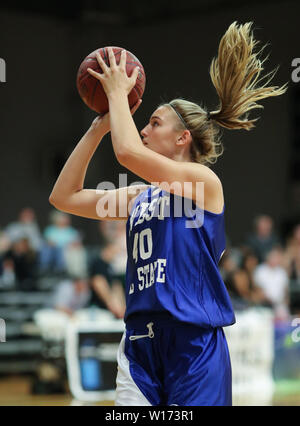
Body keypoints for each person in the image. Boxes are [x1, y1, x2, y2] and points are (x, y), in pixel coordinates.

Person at [49, 22, 286, 406]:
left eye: (154, 123)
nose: (143, 130)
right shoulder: (140, 196)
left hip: (193, 345)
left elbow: (126, 152)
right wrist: (98, 128)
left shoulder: (202, 184)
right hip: (140, 345)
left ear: (182, 138)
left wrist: (117, 94)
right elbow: (64, 196)